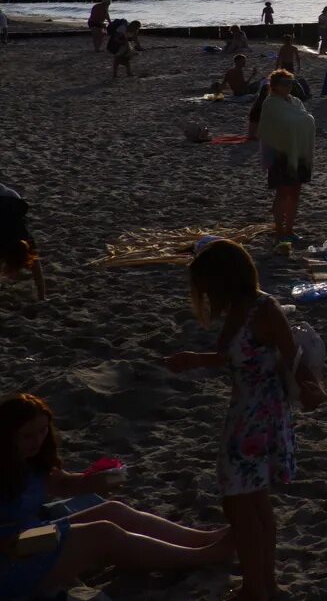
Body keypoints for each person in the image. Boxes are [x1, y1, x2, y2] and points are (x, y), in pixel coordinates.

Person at [165, 240, 300, 601]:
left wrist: (311, 387)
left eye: (207, 284)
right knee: (251, 500)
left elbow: (294, 357)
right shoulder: (241, 308)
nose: (206, 293)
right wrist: (196, 359)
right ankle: (262, 586)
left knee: (239, 500)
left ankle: (258, 587)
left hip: (260, 415)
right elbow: (239, 357)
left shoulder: (264, 308)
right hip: (248, 411)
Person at [1, 394, 233, 599]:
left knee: (114, 510)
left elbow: (62, 483)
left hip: (30, 535)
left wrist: (92, 481)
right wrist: (51, 537)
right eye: (27, 436)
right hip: (11, 555)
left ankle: (201, 539)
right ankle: (199, 557)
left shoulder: (31, 459)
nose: (38, 440)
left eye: (43, 431)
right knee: (103, 532)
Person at [252, 72, 313, 239]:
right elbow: (271, 128)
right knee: (283, 192)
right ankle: (279, 229)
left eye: (290, 83)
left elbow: (306, 119)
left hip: (298, 151)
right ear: (275, 85)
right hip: (280, 154)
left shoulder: (295, 101)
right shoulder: (271, 103)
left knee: (295, 192)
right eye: (285, 83)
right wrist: (301, 121)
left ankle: (290, 228)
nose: (288, 86)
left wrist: (301, 122)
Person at [1, 183, 46, 301]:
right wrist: (42, 297)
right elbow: (37, 272)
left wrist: (42, 296)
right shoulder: (26, 241)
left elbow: (37, 270)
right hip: (11, 200)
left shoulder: (26, 241)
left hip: (13, 199)